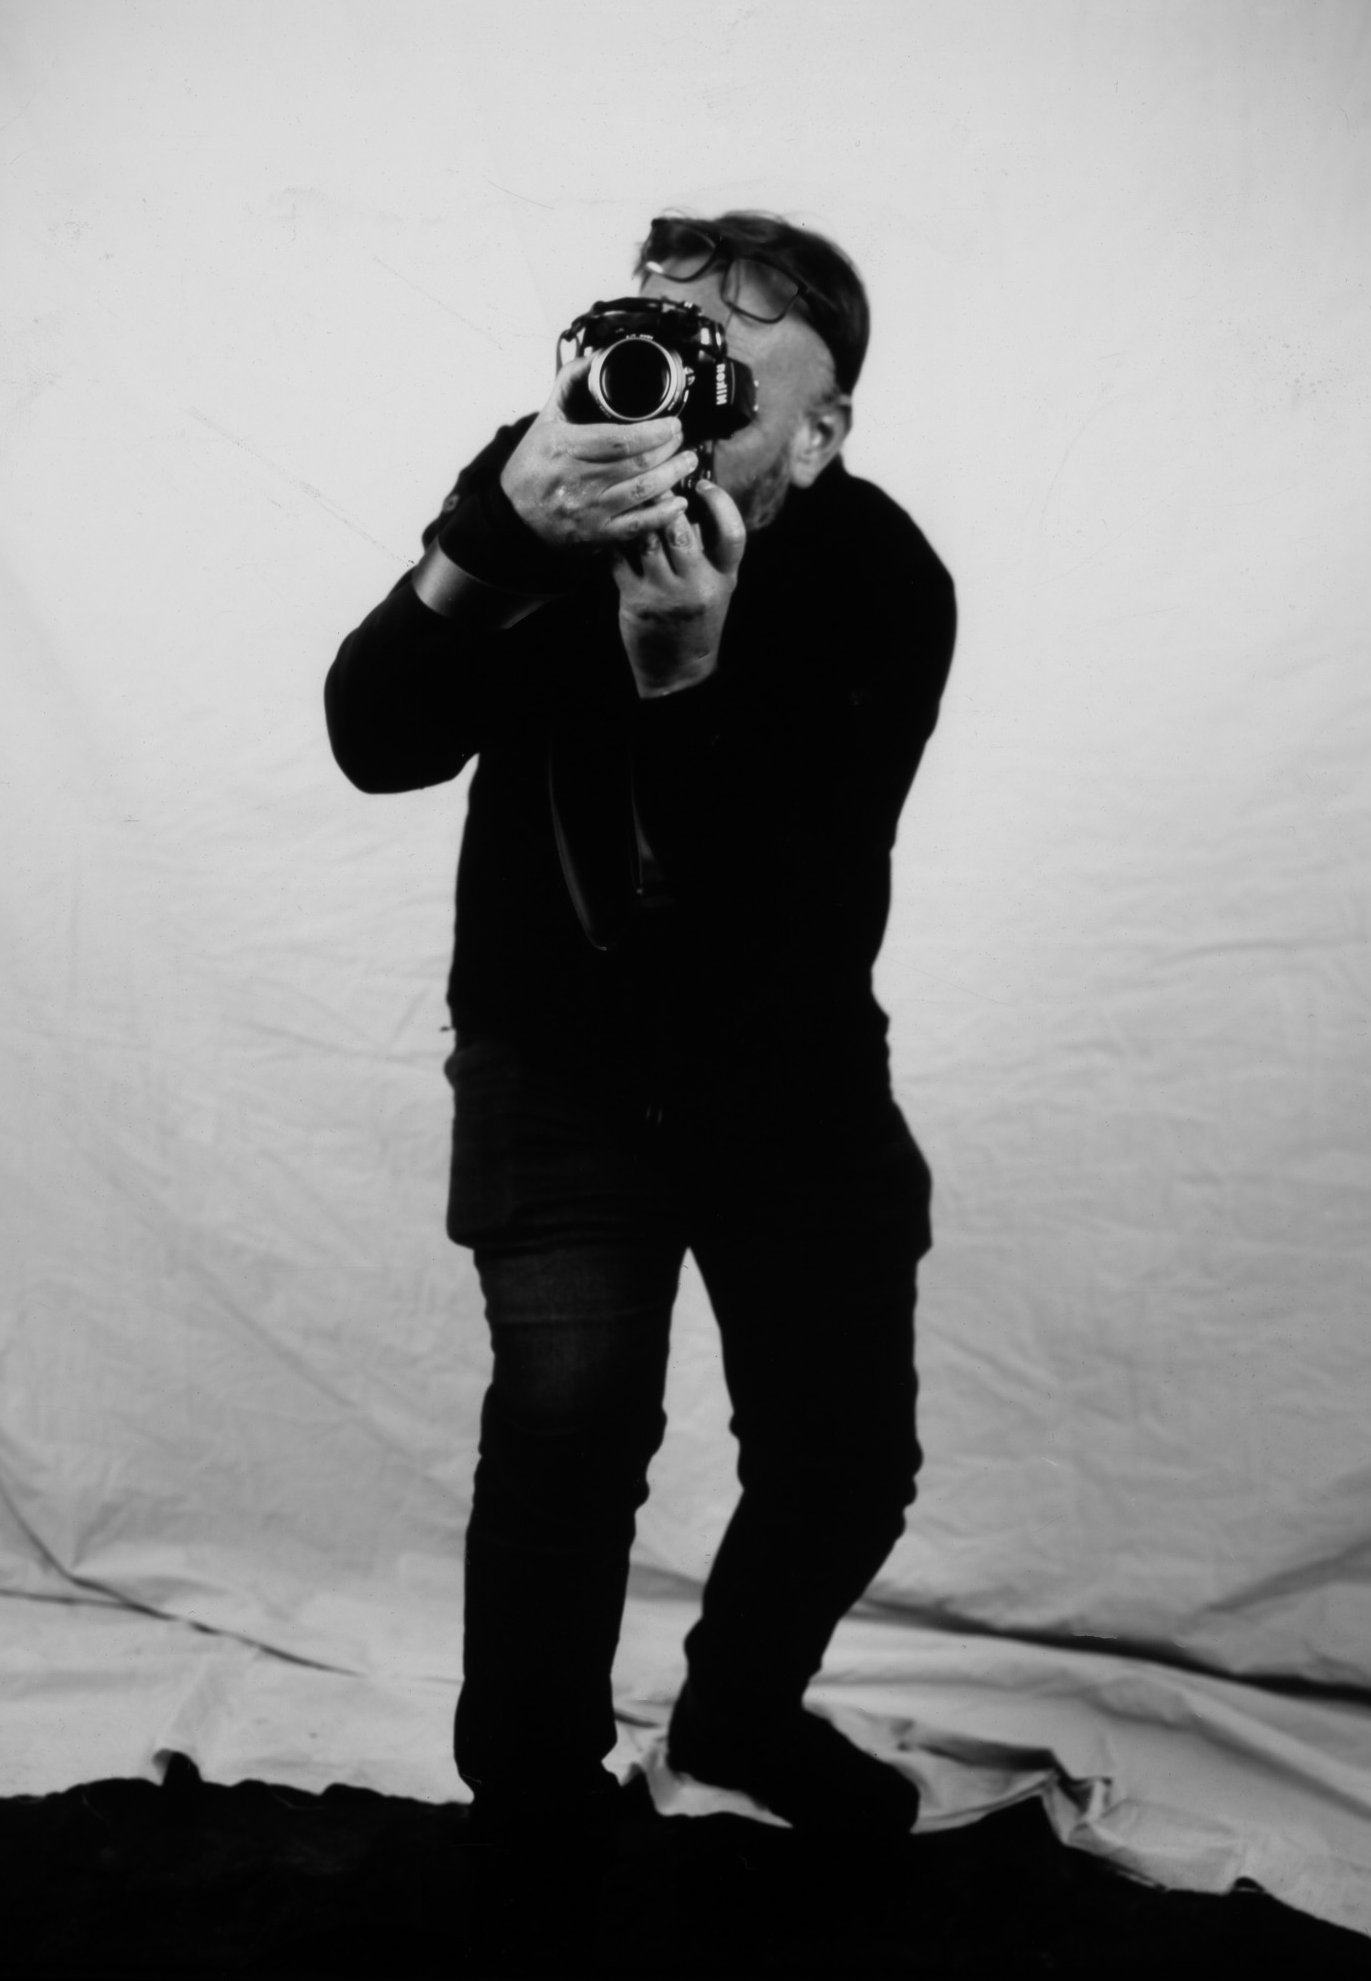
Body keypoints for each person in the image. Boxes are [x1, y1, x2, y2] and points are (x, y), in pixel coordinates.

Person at [324, 211, 955, 1889]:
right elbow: (373, 739)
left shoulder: (879, 576)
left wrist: (681, 680)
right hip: (554, 1055)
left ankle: (740, 1716)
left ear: (816, 434)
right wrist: (484, 547)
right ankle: (533, 1799)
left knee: (843, 1455)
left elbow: (796, 906)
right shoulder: (537, 482)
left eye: (729, 383)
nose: (668, 404)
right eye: (649, 350)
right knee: (566, 1433)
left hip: (787, 1066)